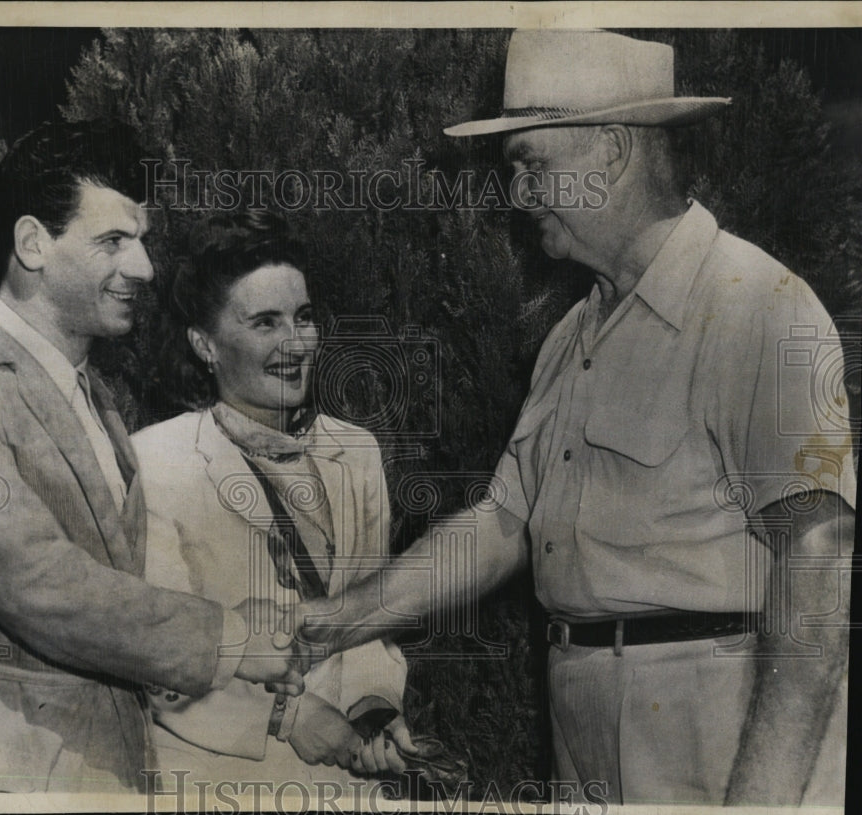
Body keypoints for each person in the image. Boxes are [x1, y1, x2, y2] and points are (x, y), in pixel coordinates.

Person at [298, 30, 856, 807]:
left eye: (533, 165)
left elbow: (819, 559)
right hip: (584, 726)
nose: (518, 194)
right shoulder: (571, 338)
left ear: (612, 151)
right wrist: (337, 620)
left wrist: (763, 798)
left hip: (715, 736)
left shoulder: (758, 306)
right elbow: (502, 522)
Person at [0, 120, 303, 793]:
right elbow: (35, 581)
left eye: (141, 241)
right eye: (113, 240)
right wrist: (224, 637)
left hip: (96, 769)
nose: (142, 267)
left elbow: (114, 598)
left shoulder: (98, 398)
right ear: (32, 244)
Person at [131, 211, 414, 794]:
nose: (295, 342)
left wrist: (374, 710)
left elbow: (370, 621)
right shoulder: (153, 461)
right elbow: (154, 650)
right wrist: (284, 716)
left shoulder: (355, 451)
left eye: (303, 317)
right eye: (265, 323)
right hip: (218, 778)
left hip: (346, 780)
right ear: (204, 345)